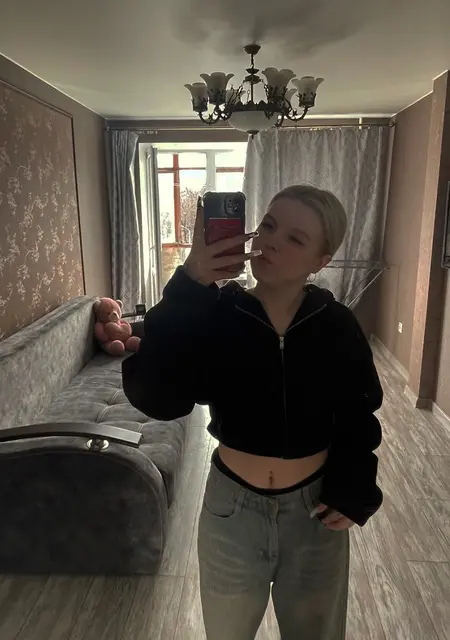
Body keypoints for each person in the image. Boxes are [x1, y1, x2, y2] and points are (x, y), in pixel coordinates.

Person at [122, 185, 383, 640]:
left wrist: (354, 489)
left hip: (315, 514)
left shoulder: (336, 325)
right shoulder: (217, 314)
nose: (272, 241)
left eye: (295, 239)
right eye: (268, 225)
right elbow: (161, 398)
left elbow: (358, 414)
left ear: (320, 261)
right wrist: (189, 286)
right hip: (231, 513)